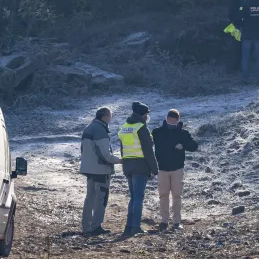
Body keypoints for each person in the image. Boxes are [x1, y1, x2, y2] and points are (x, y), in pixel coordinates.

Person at [151, 109, 198, 231]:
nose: (172, 121)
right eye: (170, 118)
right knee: (163, 195)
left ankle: (177, 221)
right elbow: (149, 144)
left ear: (178, 120)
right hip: (162, 169)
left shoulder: (183, 133)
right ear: (166, 118)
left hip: (177, 169)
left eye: (174, 119)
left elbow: (194, 146)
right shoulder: (157, 132)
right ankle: (164, 221)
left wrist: (183, 145)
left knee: (177, 195)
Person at [79, 106, 123, 236]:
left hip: (89, 169)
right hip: (101, 170)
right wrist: (119, 161)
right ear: (104, 117)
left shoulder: (89, 128)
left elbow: (83, 150)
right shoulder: (100, 130)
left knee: (90, 198)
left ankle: (86, 226)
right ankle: (96, 226)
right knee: (101, 199)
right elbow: (105, 154)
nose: (111, 118)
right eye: (110, 115)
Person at [117, 101, 158, 236]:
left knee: (133, 197)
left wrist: (124, 165)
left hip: (128, 166)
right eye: (147, 113)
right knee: (138, 197)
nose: (147, 116)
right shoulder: (141, 128)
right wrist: (155, 169)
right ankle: (136, 226)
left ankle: (129, 226)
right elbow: (148, 151)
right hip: (140, 166)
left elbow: (122, 149)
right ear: (143, 114)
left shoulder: (124, 128)